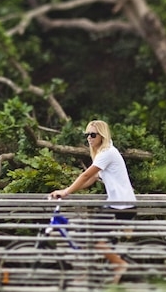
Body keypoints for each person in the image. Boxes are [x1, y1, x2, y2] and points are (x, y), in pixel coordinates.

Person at [48, 120, 136, 282]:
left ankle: (119, 264)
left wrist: (65, 191)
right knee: (88, 235)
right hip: (116, 204)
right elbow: (92, 178)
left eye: (93, 134)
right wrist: (70, 192)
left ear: (102, 136)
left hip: (122, 206)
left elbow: (86, 175)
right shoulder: (103, 153)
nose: (89, 138)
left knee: (89, 236)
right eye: (87, 134)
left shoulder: (107, 152)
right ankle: (95, 270)